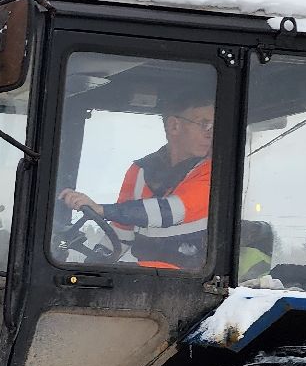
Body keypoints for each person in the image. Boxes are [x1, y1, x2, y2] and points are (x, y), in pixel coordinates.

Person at [59, 95, 214, 270]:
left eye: (213, 126)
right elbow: (122, 229)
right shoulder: (140, 170)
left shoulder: (213, 172)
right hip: (149, 276)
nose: (210, 133)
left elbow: (170, 211)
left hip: (193, 278)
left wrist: (102, 210)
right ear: (174, 126)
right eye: (204, 124)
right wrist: (93, 266)